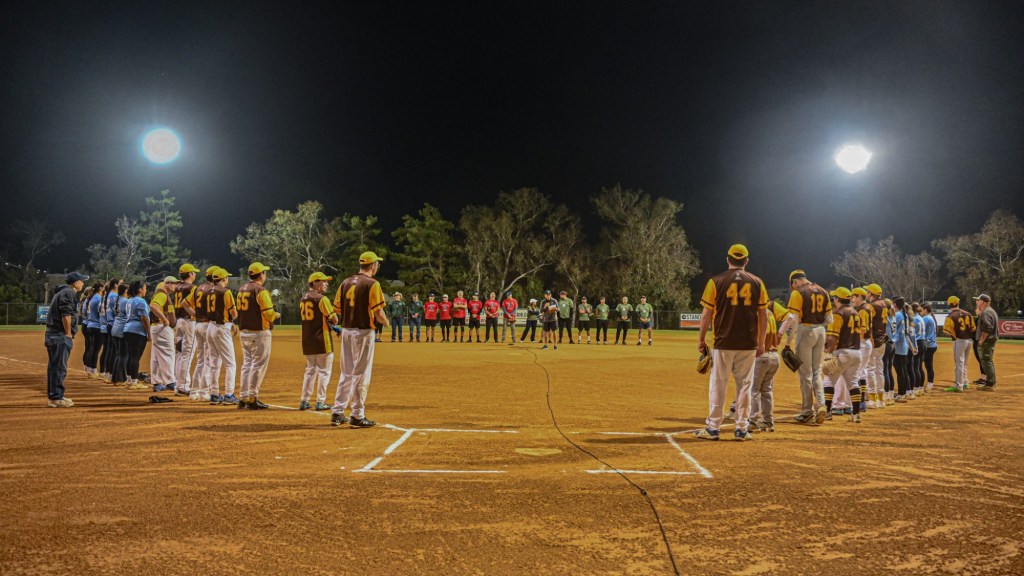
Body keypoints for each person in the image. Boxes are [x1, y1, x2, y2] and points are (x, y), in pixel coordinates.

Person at [695, 244, 768, 441]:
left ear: (728, 259)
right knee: (745, 385)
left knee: (718, 384)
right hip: (748, 343)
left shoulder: (715, 281)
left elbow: (706, 314)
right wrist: (761, 342)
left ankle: (713, 428)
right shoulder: (757, 282)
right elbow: (763, 315)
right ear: (746, 261)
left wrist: (701, 339)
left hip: (723, 342)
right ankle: (741, 429)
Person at [331, 251, 388, 427]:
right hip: (363, 331)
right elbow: (378, 312)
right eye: (377, 264)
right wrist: (385, 322)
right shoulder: (372, 284)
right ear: (373, 265)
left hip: (347, 330)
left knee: (347, 372)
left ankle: (337, 411)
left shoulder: (346, 282)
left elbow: (337, 309)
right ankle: (357, 415)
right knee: (361, 373)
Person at [779, 270, 832, 424]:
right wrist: (818, 327)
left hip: (805, 331)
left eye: (793, 284)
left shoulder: (798, 293)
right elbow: (829, 319)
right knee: (817, 371)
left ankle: (807, 411)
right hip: (821, 331)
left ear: (795, 281)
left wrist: (788, 343)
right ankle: (821, 404)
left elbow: (794, 320)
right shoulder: (823, 291)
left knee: (805, 374)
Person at [236, 262, 280, 410]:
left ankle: (243, 398)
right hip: (258, 332)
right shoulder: (260, 290)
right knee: (257, 365)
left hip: (244, 332)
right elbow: (269, 314)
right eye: (264, 272)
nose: (265, 275)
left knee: (247, 365)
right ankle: (252, 398)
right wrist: (276, 315)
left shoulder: (242, 289)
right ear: (261, 275)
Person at [44, 272, 88, 407]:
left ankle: (55, 396)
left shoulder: (63, 292)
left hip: (54, 334)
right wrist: (68, 333)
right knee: (59, 368)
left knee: (54, 367)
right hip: (60, 335)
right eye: (82, 281)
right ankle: (57, 398)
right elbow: (66, 314)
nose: (83, 283)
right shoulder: (68, 293)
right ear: (76, 283)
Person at [823, 288, 865, 423]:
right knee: (853, 383)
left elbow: (833, 337)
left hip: (843, 351)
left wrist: (828, 350)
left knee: (828, 381)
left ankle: (827, 412)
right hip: (857, 352)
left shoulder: (838, 313)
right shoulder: (855, 312)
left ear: (837, 299)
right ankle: (856, 414)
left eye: (834, 298)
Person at [300, 272, 338, 411]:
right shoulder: (322, 299)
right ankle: (320, 401)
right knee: (324, 372)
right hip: (322, 339)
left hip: (307, 340)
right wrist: (334, 323)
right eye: (324, 281)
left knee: (310, 371)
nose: (326, 284)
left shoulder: (303, 298)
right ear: (315, 282)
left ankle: (304, 400)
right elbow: (334, 319)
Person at [747, 300, 784, 432]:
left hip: (762, 356)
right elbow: (789, 318)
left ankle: (753, 421)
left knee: (754, 390)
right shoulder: (770, 313)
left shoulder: (758, 314)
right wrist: (781, 333)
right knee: (767, 390)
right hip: (774, 357)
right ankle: (768, 421)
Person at [206, 268, 239, 405]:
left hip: (210, 326)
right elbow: (234, 313)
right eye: (227, 277)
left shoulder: (209, 291)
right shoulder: (225, 292)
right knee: (230, 364)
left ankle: (214, 394)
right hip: (221, 327)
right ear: (224, 279)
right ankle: (229, 394)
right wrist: (233, 321)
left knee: (214, 363)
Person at [189, 267, 216, 402]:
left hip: (198, 325)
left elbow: (184, 303)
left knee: (200, 360)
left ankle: (194, 391)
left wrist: (196, 314)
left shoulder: (198, 288)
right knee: (208, 360)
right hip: (207, 326)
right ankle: (204, 392)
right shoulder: (213, 290)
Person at [173, 264, 200, 397]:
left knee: (179, 354)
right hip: (189, 322)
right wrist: (197, 315)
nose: (195, 274)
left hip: (179, 321)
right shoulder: (192, 288)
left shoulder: (177, 287)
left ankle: (178, 384)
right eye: (194, 272)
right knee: (187, 355)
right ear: (190, 274)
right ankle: (183, 386)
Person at [149, 276, 178, 392]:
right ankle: (170, 381)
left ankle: (157, 382)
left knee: (156, 357)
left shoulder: (162, 294)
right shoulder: (162, 294)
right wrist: (165, 319)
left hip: (157, 327)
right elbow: (153, 306)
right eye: (174, 283)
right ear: (168, 284)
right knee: (168, 354)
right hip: (161, 326)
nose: (175, 285)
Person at [122, 280, 152, 391]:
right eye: (144, 288)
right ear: (140, 290)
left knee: (130, 356)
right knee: (135, 357)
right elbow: (144, 318)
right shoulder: (141, 301)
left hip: (127, 329)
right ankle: (134, 382)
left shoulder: (129, 300)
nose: (145, 290)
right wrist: (149, 333)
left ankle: (129, 380)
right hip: (137, 331)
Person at [943, 296, 976, 392]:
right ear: (958, 303)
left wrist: (954, 334)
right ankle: (965, 382)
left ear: (949, 304)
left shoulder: (950, 316)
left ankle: (959, 385)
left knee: (959, 363)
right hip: (969, 340)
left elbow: (946, 331)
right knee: (964, 363)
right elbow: (973, 328)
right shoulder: (968, 314)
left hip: (959, 341)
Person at [887, 297, 915, 403]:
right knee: (903, 370)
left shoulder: (898, 315)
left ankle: (901, 394)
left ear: (894, 304)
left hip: (898, 345)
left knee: (900, 371)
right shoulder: (905, 314)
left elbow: (894, 330)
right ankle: (903, 393)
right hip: (904, 345)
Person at [974, 294, 999, 391]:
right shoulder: (990, 311)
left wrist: (981, 341)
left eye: (978, 300)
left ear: (983, 302)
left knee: (986, 361)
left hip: (987, 341)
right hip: (990, 340)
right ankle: (990, 382)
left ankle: (990, 384)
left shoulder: (986, 312)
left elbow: (988, 328)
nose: (977, 302)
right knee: (988, 361)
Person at [109, 282, 130, 386]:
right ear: (125, 291)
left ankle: (115, 378)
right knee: (124, 355)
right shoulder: (126, 301)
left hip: (115, 327)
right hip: (121, 329)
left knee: (118, 354)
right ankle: (121, 379)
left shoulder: (118, 299)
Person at [83, 281, 104, 378]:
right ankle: (93, 370)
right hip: (97, 326)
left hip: (90, 324)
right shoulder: (99, 298)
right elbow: (101, 313)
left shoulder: (91, 297)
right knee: (95, 350)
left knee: (91, 349)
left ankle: (88, 369)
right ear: (100, 288)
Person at [920, 303, 938, 392]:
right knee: (929, 365)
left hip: (928, 345)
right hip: (932, 345)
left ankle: (919, 385)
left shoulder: (925, 318)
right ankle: (930, 384)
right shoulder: (931, 317)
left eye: (921, 310)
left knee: (918, 365)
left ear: (925, 310)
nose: (920, 311)